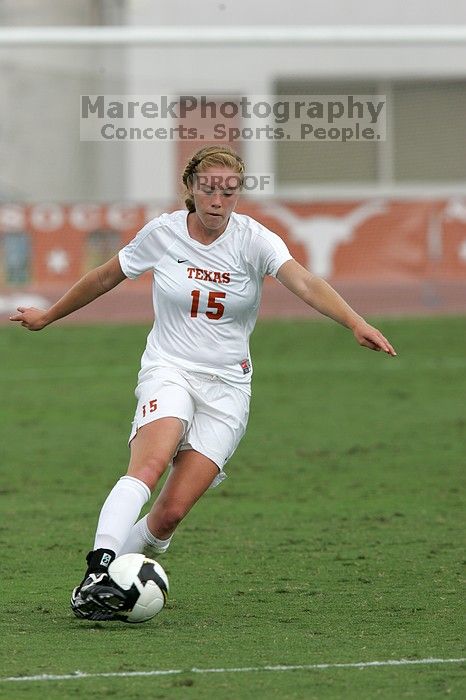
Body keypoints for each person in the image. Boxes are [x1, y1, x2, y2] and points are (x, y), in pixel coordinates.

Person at [10, 145, 397, 620]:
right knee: (149, 464)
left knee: (168, 516)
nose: (218, 199)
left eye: (229, 191)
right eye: (209, 189)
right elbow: (105, 277)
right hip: (168, 367)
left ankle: (99, 590)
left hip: (228, 389)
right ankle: (100, 567)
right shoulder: (164, 233)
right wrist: (49, 315)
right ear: (191, 189)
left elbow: (305, 282)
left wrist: (355, 322)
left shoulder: (255, 240)